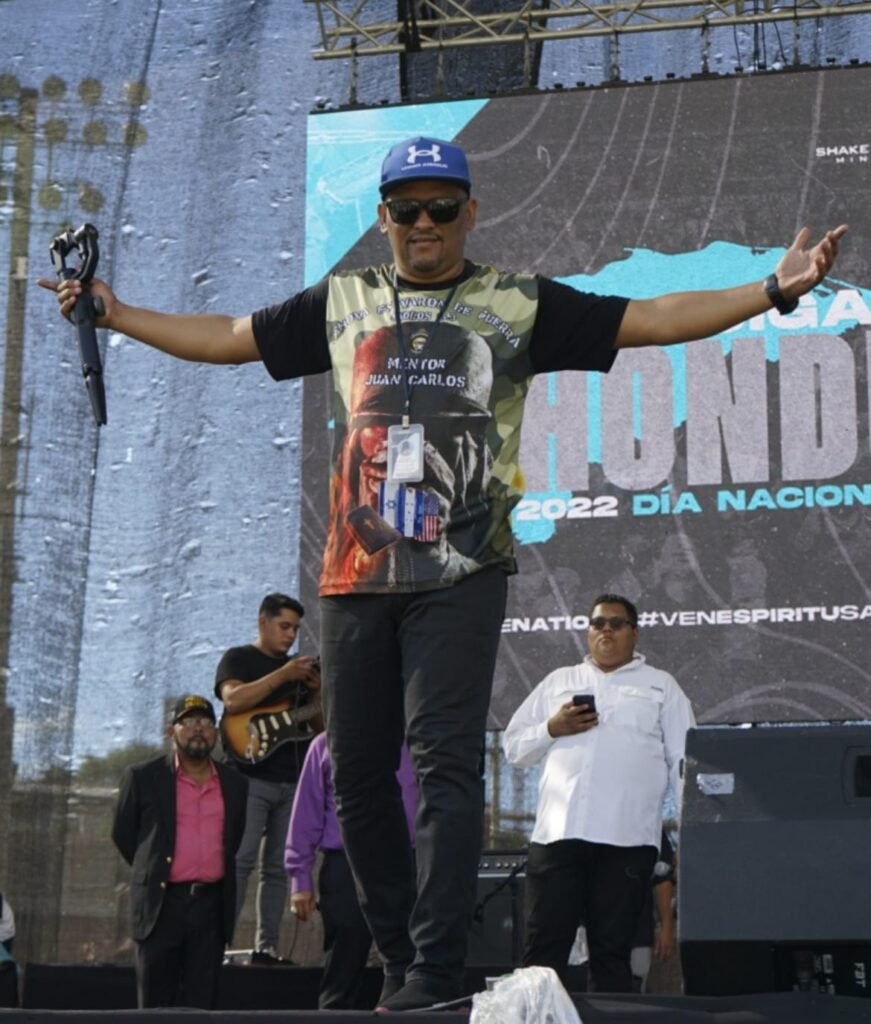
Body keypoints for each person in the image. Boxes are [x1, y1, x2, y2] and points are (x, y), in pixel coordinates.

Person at [39, 136, 846, 1012]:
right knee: (354, 775)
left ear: (470, 212)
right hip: (356, 575)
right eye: (406, 208)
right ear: (383, 217)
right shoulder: (345, 299)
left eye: (441, 207)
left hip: (462, 569)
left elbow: (647, 318)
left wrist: (770, 291)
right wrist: (119, 314)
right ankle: (396, 955)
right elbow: (233, 337)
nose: (423, 222)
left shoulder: (515, 301)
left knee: (444, 764)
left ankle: (431, 962)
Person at [502, 595, 695, 992]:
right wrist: (552, 728)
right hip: (558, 835)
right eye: (597, 623)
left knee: (612, 955)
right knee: (542, 955)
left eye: (617, 623)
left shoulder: (661, 686)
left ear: (634, 633)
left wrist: (692, 832)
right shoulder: (559, 681)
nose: (606, 630)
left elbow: (684, 762)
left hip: (627, 839)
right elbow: (514, 748)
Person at [111, 694, 248, 1008]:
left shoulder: (235, 783)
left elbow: (234, 838)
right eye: (189, 722)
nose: (198, 729)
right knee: (155, 1005)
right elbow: (124, 834)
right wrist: (154, 867)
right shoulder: (143, 777)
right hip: (161, 906)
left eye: (206, 722)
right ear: (170, 731)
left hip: (211, 907)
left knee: (202, 1004)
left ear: (216, 732)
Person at [214, 592, 322, 965]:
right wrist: (283, 675)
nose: (291, 635)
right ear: (263, 622)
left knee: (277, 868)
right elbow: (233, 701)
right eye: (284, 626)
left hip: (292, 781)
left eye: (295, 629)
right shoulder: (239, 658)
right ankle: (219, 944)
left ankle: (267, 948)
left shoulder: (302, 671)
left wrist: (316, 692)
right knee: (240, 860)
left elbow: (319, 728)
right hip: (248, 777)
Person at [284, 732, 417, 1009]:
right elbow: (306, 812)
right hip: (346, 862)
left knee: (409, 962)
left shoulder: (416, 742)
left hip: (405, 860)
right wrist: (300, 879)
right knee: (344, 962)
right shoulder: (325, 744)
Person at [630, 828, 676, 993]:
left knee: (635, 990)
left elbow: (662, 879)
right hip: (591, 930)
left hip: (637, 931)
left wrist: (666, 927)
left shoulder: (650, 824)